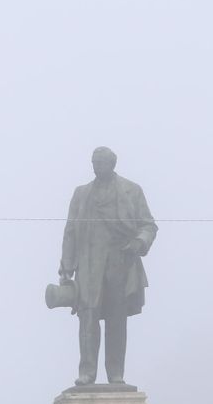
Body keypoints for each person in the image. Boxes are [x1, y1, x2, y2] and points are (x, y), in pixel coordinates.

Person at [59, 147, 157, 385]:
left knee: (117, 319)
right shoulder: (81, 194)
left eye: (101, 162)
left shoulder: (131, 190)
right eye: (94, 162)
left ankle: (116, 373)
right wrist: (66, 268)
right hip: (89, 264)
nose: (96, 166)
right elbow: (70, 232)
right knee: (88, 318)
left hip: (120, 262)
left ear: (112, 164)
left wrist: (138, 242)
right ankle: (87, 372)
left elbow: (148, 226)